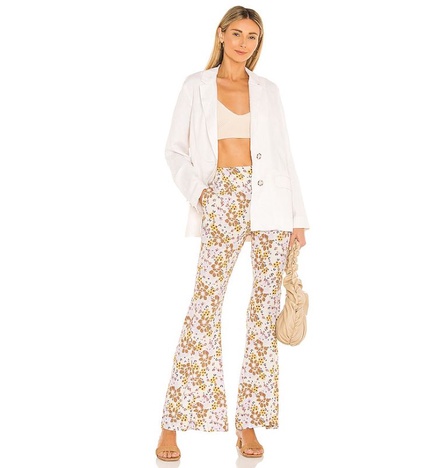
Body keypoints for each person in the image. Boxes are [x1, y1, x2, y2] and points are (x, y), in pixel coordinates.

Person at [155, 5, 310, 462]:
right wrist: (203, 195)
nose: (244, 43)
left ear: (259, 43)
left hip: (272, 202)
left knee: (263, 311)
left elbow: (284, 155)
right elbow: (174, 151)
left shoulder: (268, 90)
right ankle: (173, 423)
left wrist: (298, 218)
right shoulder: (196, 86)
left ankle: (248, 424)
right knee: (204, 307)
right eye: (237, 33)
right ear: (221, 35)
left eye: (253, 36)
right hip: (221, 195)